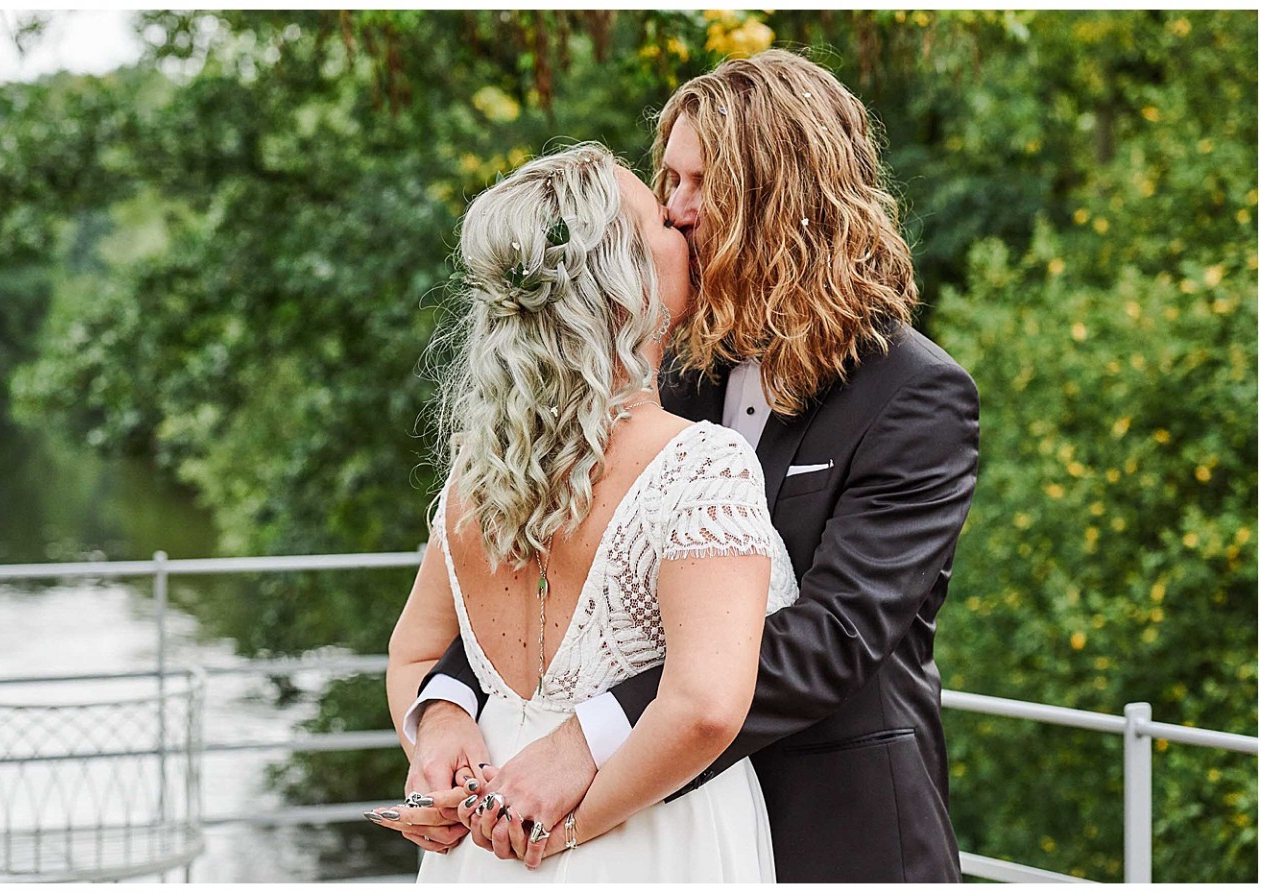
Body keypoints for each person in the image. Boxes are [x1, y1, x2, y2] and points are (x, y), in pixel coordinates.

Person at [383, 50, 980, 882]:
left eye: (703, 183)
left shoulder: (913, 393)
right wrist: (449, 704)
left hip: (833, 826)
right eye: (669, 179)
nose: (676, 207)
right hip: (645, 825)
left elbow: (833, 636)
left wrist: (590, 734)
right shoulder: (664, 374)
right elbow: (562, 594)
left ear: (781, 197)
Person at [378, 141, 795, 880]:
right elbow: (705, 706)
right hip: (640, 832)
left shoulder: (484, 470)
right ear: (627, 289)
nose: (680, 218)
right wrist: (570, 829)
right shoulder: (702, 464)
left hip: (488, 832)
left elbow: (412, 654)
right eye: (660, 219)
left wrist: (436, 730)